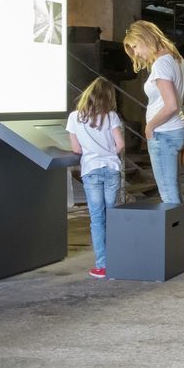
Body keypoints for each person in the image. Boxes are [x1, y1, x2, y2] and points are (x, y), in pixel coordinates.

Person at [123, 20, 184, 205]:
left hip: (164, 133)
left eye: (135, 46)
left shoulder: (161, 64)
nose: (136, 53)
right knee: (173, 189)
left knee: (168, 193)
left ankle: (175, 234)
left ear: (146, 38)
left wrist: (150, 127)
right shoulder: (177, 60)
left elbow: (171, 105)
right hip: (174, 130)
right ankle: (179, 232)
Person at [67, 77, 125, 279]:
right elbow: (120, 145)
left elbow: (75, 148)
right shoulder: (111, 117)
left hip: (91, 170)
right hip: (111, 168)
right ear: (108, 97)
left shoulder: (74, 117)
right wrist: (109, 151)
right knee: (113, 216)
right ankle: (119, 261)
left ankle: (102, 265)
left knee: (97, 219)